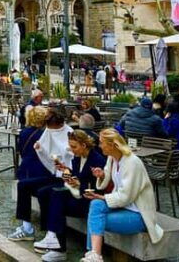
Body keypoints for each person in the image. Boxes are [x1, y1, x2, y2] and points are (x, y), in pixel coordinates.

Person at [80, 129, 164, 262]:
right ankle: (94, 254)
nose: (99, 146)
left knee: (96, 219)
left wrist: (102, 197)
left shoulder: (132, 162)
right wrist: (101, 175)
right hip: (123, 207)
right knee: (95, 205)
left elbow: (126, 197)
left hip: (138, 214)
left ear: (112, 145)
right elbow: (107, 177)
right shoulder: (112, 158)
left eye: (102, 143)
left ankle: (93, 254)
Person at [34, 130, 106, 260]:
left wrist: (78, 183)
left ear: (84, 145)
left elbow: (97, 187)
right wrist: (65, 170)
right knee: (44, 193)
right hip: (77, 193)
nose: (72, 150)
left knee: (57, 197)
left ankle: (58, 246)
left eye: (74, 147)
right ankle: (51, 234)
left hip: (87, 200)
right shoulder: (78, 157)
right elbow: (78, 175)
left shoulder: (97, 160)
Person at [8, 109, 73, 242]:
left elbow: (68, 157)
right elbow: (48, 153)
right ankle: (26, 227)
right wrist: (41, 150)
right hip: (54, 173)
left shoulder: (69, 133)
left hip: (66, 177)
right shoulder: (48, 131)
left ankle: (50, 233)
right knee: (23, 185)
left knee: (44, 192)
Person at [16, 107, 49, 180]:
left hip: (26, 167)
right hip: (42, 168)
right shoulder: (45, 134)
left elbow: (21, 150)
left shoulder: (24, 132)